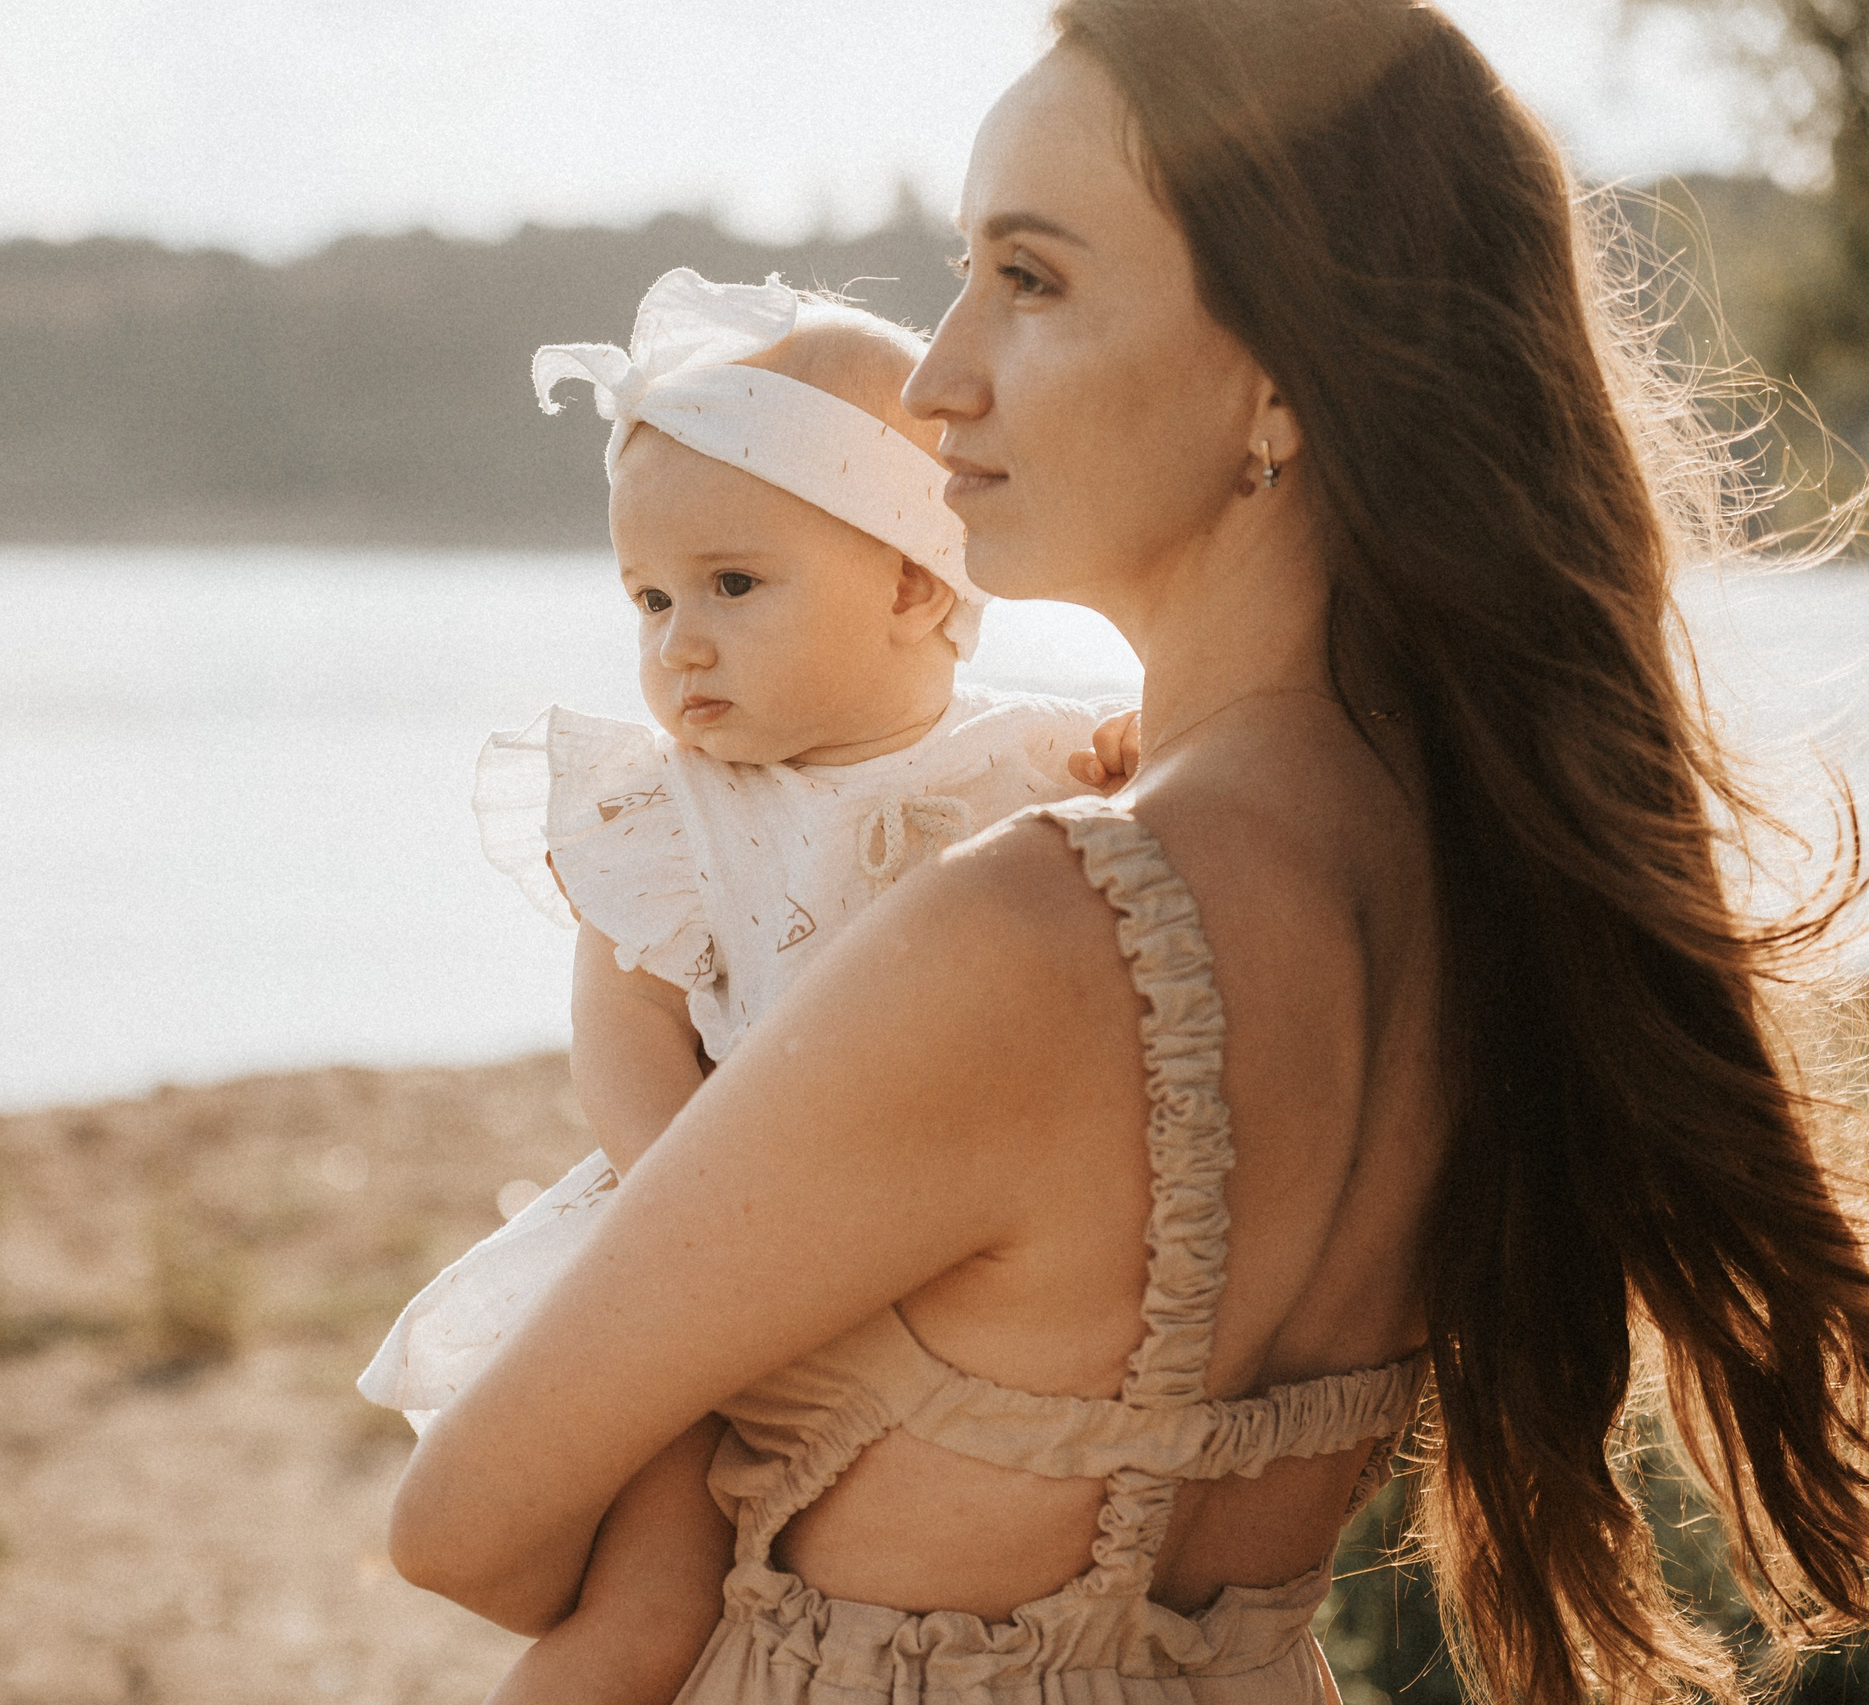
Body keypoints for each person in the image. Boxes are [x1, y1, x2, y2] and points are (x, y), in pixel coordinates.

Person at [389, 2, 1869, 1702]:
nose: (936, 377)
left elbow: (464, 1520)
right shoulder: (1491, 882)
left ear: (1279, 384)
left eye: (1031, 278)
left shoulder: (1035, 936)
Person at [358, 266, 1139, 1703]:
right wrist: (708, 1251)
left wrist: (1126, 770)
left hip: (919, 1254)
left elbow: (1121, 900)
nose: (680, 643)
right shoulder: (663, 815)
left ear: (916, 581)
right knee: (634, 1620)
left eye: (732, 584)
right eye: (648, 598)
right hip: (689, 1264)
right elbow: (628, 1053)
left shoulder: (1031, 760)